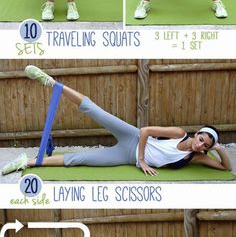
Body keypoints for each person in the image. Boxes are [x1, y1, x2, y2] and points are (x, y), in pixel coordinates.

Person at [1, 67, 232, 176]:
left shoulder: (196, 157)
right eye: (202, 139)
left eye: (206, 145)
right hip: (133, 137)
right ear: (197, 133)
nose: (201, 145)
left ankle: (27, 162)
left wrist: (219, 148)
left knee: (81, 159)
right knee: (94, 110)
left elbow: (226, 167)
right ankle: (51, 82)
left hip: (125, 157)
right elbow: (146, 130)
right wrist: (142, 159)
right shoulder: (180, 133)